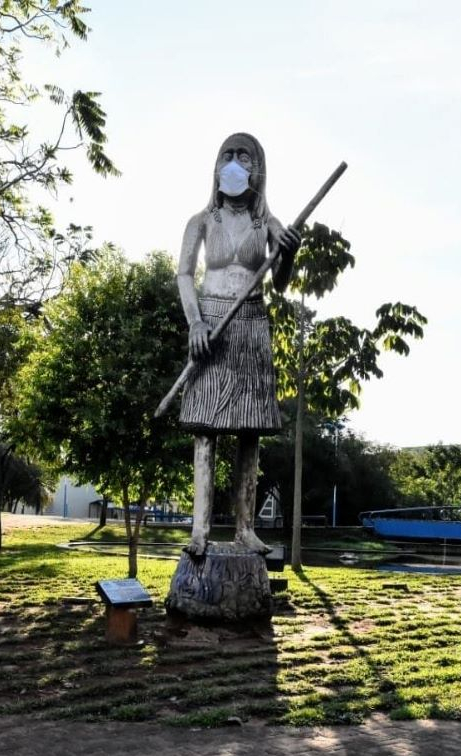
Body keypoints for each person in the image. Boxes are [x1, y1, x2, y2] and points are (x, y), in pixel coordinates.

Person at [177, 132, 301, 555]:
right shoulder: (201, 221)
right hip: (210, 323)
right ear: (215, 166)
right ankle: (199, 529)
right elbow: (183, 275)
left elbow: (281, 283)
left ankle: (246, 528)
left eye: (242, 156)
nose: (233, 163)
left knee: (249, 430)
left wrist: (289, 255)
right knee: (205, 429)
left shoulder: (268, 223)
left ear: (257, 167)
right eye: (226, 155)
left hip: (251, 320)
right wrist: (194, 322)